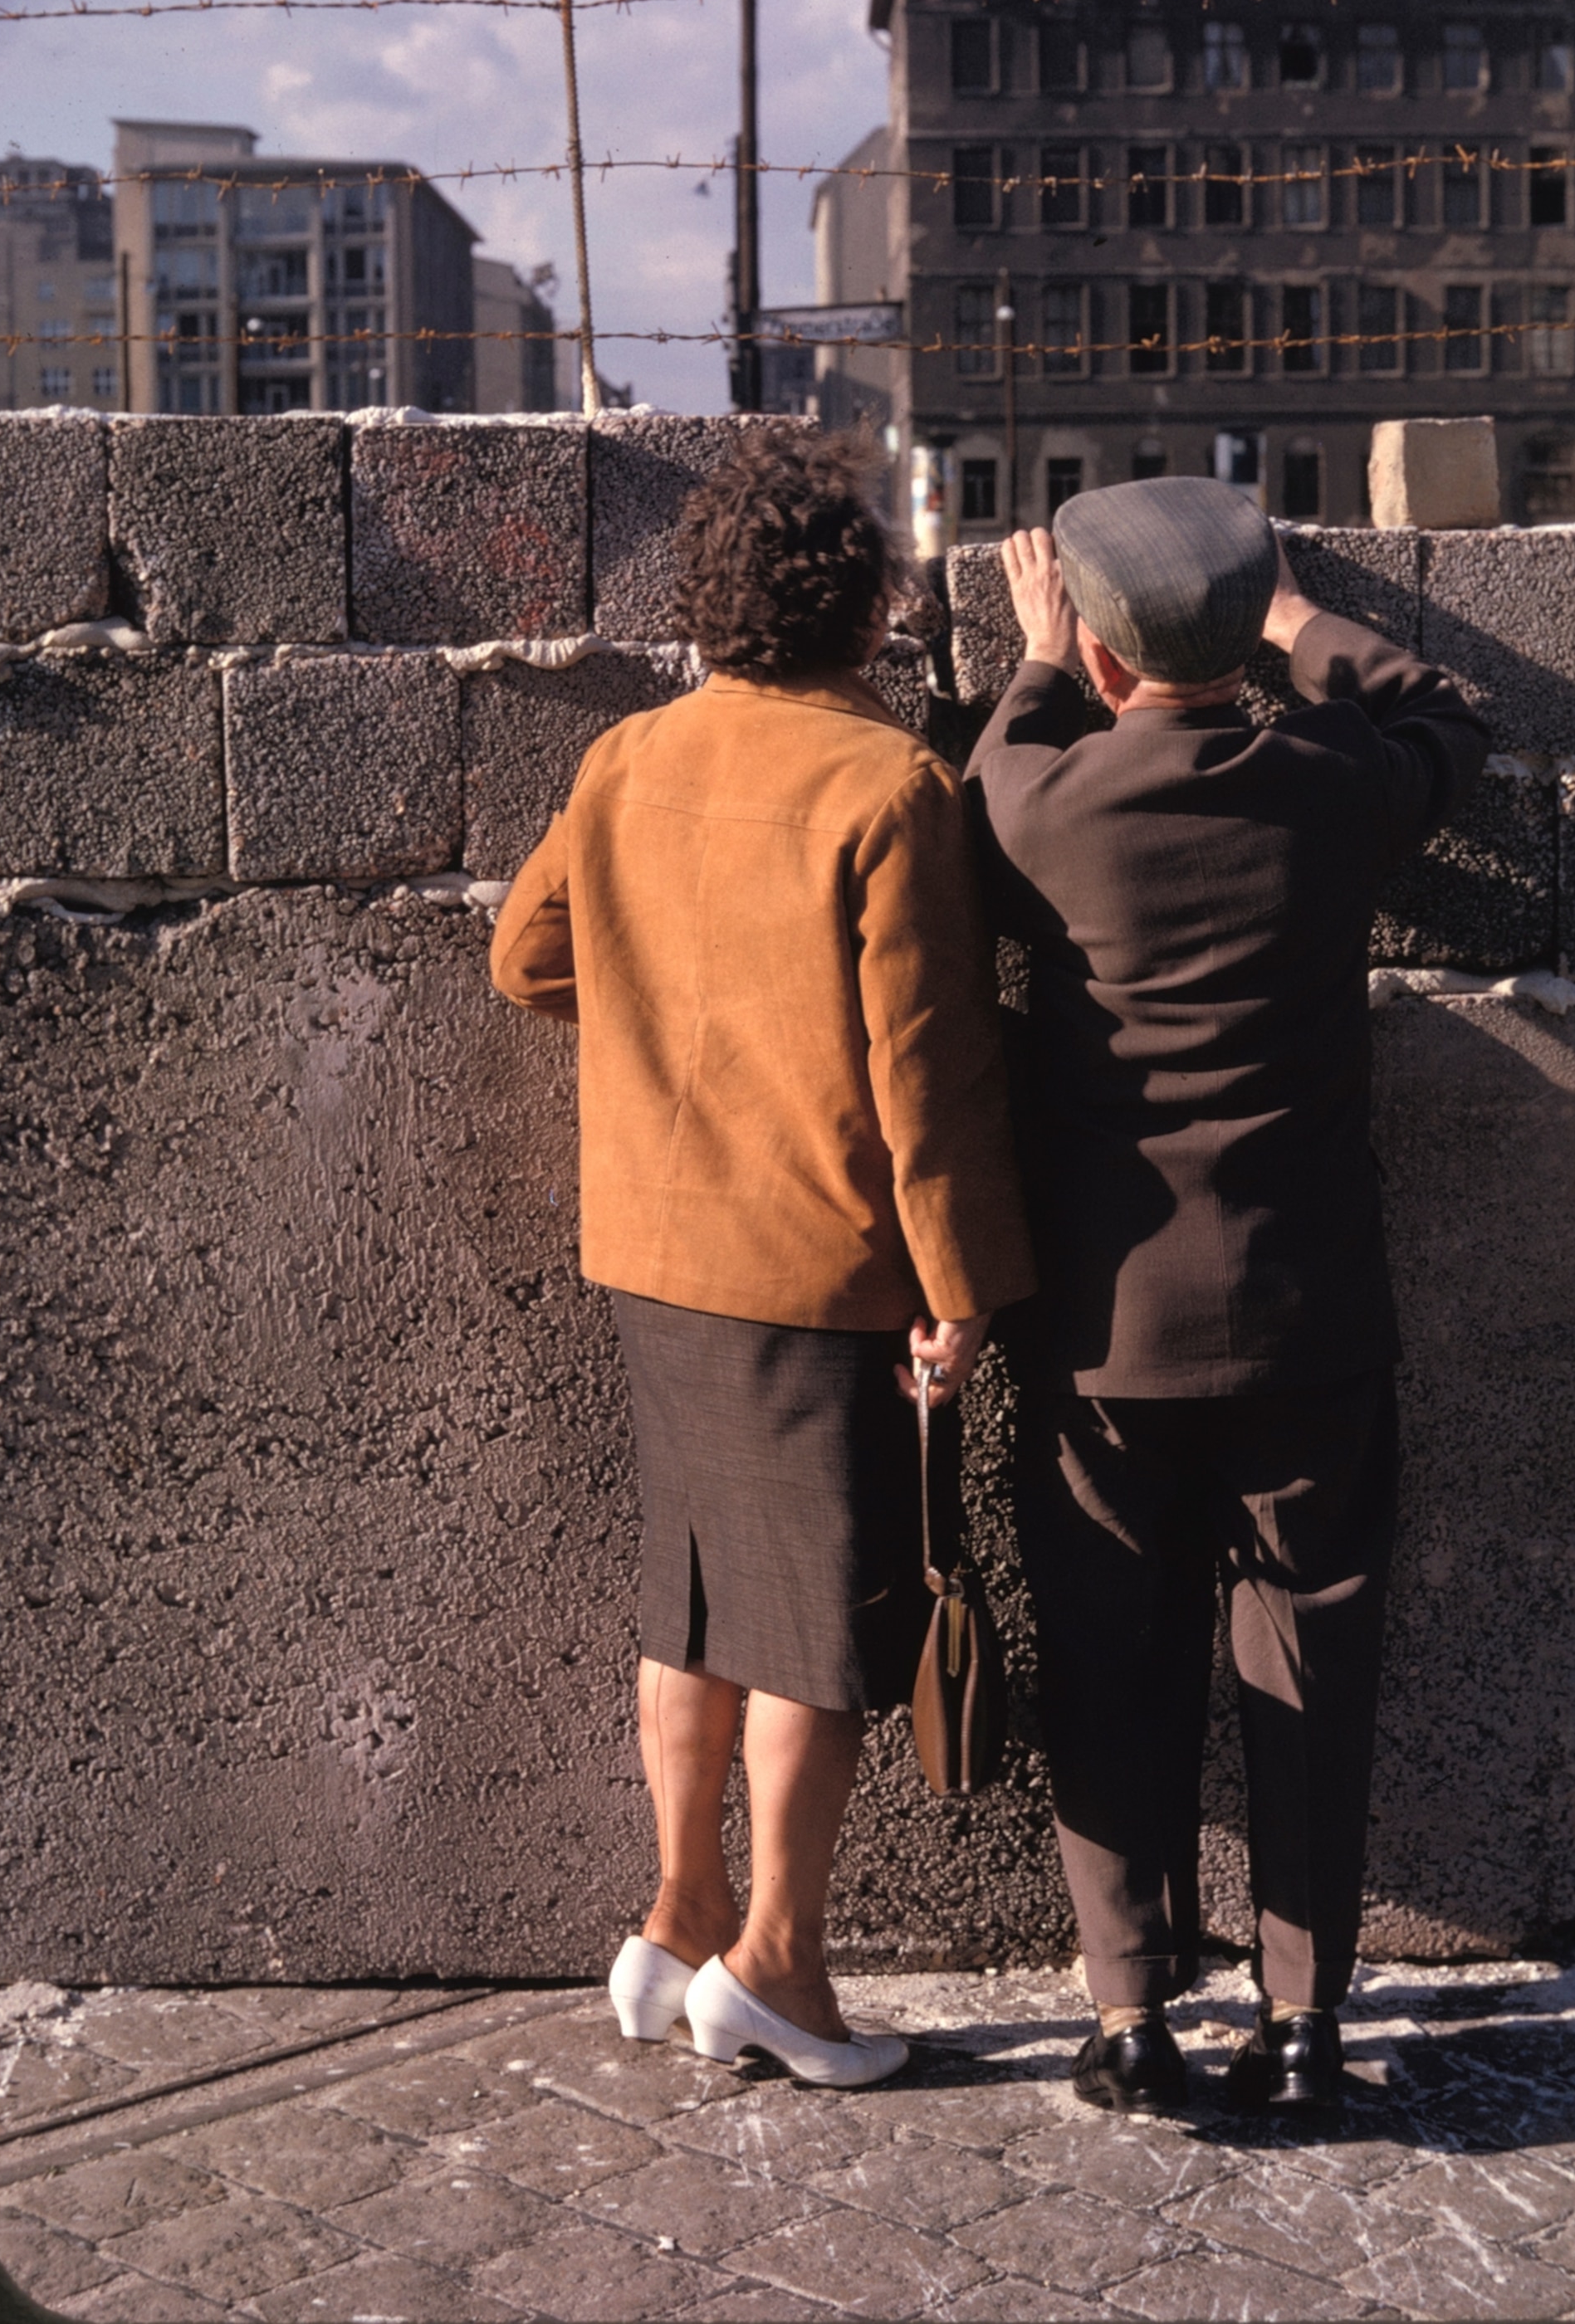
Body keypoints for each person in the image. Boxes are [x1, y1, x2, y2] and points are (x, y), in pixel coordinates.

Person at [491, 428, 1034, 2090]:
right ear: (868, 613)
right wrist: (960, 1287)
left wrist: (670, 1033)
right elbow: (924, 1078)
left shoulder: (627, 762)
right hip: (814, 1269)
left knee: (696, 1595)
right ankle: (779, 1969)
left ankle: (678, 1912)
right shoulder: (891, 789)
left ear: (704, 606)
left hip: (651, 1250)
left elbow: (528, 960)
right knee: (819, 1626)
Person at [967, 477, 1489, 2118]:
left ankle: (1129, 2016)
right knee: (1313, 1669)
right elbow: (1445, 718)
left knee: (1108, 1659)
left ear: (1104, 657)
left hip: (1106, 1335)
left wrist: (1041, 655)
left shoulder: (1042, 806)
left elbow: (995, 761)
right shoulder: (1329, 790)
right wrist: (1283, 614)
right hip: (1305, 1316)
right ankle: (1306, 2019)